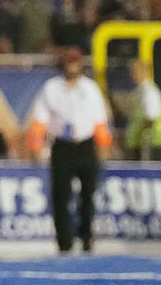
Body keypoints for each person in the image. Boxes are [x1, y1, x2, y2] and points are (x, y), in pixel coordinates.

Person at [26, 47, 111, 254]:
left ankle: (86, 237)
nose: (72, 65)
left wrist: (104, 146)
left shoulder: (90, 88)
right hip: (63, 147)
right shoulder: (51, 88)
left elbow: (100, 120)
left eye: (75, 61)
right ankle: (64, 241)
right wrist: (36, 147)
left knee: (88, 195)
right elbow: (39, 120)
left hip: (85, 145)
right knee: (61, 196)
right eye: (68, 61)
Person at [124, 60, 161, 161]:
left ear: (144, 72)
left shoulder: (149, 92)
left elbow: (151, 118)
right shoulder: (141, 90)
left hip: (150, 146)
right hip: (142, 144)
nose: (132, 75)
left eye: (134, 72)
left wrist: (141, 135)